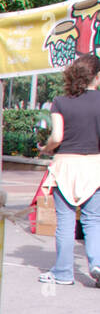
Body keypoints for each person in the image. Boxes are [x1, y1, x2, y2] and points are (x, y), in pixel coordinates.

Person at [38, 53, 100, 286]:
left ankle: (63, 272)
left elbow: (57, 136)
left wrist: (45, 149)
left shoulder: (61, 101)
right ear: (97, 77)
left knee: (65, 221)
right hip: (95, 166)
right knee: (93, 220)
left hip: (66, 165)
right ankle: (97, 264)